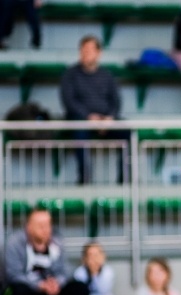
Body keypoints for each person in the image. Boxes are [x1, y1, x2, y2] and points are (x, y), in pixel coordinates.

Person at [60, 35, 124, 185]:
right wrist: (89, 117)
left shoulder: (107, 75)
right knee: (79, 129)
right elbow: (69, 101)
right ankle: (84, 177)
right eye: (83, 50)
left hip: (105, 121)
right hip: (82, 120)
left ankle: (125, 178)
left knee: (127, 131)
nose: (85, 53)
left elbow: (116, 101)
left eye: (89, 50)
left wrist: (109, 118)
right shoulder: (70, 74)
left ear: (98, 53)